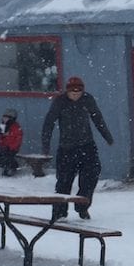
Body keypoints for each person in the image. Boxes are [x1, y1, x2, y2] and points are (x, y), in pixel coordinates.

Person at [41, 76, 113, 219]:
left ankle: (82, 206)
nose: (75, 94)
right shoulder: (60, 101)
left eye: (78, 91)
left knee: (90, 177)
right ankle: (59, 212)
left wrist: (107, 136)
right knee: (64, 181)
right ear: (67, 91)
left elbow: (97, 118)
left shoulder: (87, 99)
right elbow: (49, 122)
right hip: (66, 148)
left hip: (87, 146)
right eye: (72, 91)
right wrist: (46, 144)